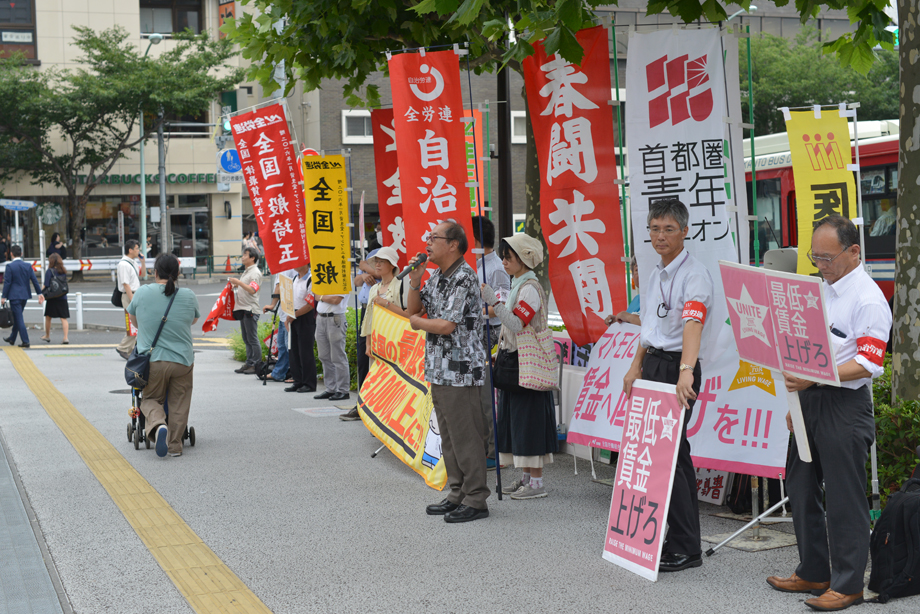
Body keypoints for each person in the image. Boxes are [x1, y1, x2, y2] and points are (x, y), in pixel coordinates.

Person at [767, 215, 891, 612]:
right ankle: (814, 570)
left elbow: (869, 363)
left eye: (828, 258)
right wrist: (800, 400)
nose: (820, 265)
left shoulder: (868, 298)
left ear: (854, 252)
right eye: (814, 257)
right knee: (800, 486)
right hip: (811, 399)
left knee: (844, 496)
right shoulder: (820, 289)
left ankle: (849, 583)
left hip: (844, 404)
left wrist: (814, 380)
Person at [622, 198, 714, 572]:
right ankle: (665, 537)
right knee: (659, 455)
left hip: (679, 368)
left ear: (684, 231)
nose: (660, 236)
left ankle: (686, 547)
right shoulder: (655, 272)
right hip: (655, 365)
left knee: (674, 456)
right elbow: (650, 328)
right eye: (654, 229)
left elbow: (693, 324)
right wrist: (634, 367)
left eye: (668, 229)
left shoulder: (695, 274)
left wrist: (686, 372)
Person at [407, 220, 490, 523]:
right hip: (439, 368)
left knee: (466, 434)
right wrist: (416, 281)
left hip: (461, 369)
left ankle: (476, 497)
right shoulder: (438, 277)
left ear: (453, 244)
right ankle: (458, 491)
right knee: (450, 435)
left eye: (434, 238)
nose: (427, 243)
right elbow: (413, 309)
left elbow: (445, 325)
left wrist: (418, 323)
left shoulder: (464, 278)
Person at [480, 234, 558, 499]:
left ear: (523, 258)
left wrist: (494, 303)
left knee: (529, 422)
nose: (503, 261)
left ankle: (536, 484)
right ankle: (526, 478)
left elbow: (516, 324)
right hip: (516, 364)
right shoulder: (518, 285)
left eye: (507, 257)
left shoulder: (530, 289)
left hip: (526, 367)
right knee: (517, 421)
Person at [127, 253, 201, 458]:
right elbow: (193, 321)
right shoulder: (188, 295)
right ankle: (175, 445)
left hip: (153, 362)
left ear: (155, 271)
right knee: (179, 402)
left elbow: (134, 321)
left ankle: (159, 425)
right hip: (182, 361)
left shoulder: (142, 293)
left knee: (149, 399)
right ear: (177, 274)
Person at [472, 216, 510, 471]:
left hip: (491, 335)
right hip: (478, 333)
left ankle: (494, 452)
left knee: (487, 395)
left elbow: (502, 307)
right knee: (478, 394)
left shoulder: (495, 267)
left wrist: (476, 311)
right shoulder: (478, 263)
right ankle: (485, 447)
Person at [340, 248, 381, 420]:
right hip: (366, 311)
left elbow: (389, 271)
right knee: (363, 357)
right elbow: (357, 280)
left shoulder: (389, 252)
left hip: (380, 312)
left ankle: (373, 406)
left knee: (376, 359)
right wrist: (364, 274)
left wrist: (365, 266)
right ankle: (362, 404)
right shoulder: (373, 253)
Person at [2, 245, 44, 348]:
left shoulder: (10, 267)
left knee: (19, 318)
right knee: (17, 317)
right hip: (24, 296)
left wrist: (3, 297)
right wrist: (39, 293)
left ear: (11, 254)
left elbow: (7, 283)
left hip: (14, 296)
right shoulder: (27, 266)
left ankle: (25, 341)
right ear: (21, 254)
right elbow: (34, 280)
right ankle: (12, 338)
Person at [229, 246, 263, 374]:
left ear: (252, 258)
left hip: (250, 309)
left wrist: (238, 282)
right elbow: (247, 286)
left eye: (245, 255)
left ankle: (256, 364)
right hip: (244, 308)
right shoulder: (248, 271)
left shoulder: (255, 272)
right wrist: (237, 284)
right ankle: (249, 363)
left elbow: (252, 289)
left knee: (252, 338)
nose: (242, 257)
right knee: (246, 338)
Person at [313, 285, 350, 401]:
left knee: (338, 356)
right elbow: (315, 295)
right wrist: (323, 297)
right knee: (324, 356)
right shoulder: (324, 275)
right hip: (320, 317)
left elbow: (336, 300)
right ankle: (330, 388)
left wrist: (321, 297)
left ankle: (343, 390)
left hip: (335, 318)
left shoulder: (342, 274)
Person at [285, 263, 317, 393]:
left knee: (305, 351)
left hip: (305, 317)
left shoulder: (311, 279)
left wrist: (294, 315)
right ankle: (297, 381)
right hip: (293, 316)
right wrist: (288, 316)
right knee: (294, 350)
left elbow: (310, 304)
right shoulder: (294, 279)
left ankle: (309, 383)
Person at [261, 269, 297, 383]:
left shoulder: (285, 267)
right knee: (282, 345)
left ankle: (296, 375)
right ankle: (279, 373)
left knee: (289, 346)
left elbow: (279, 286)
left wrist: (272, 304)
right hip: (284, 312)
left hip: (289, 313)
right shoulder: (283, 267)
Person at [115, 239, 145, 359]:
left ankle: (131, 348)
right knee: (133, 323)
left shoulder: (132, 262)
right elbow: (125, 284)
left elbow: (142, 275)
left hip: (134, 294)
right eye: (137, 248)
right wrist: (133, 301)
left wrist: (142, 262)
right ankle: (123, 347)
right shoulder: (123, 264)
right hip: (129, 295)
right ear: (130, 250)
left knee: (137, 323)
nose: (138, 251)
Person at [40, 252, 70, 344]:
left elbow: (46, 285)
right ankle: (65, 338)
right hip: (62, 297)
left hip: (52, 298)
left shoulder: (50, 271)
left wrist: (41, 293)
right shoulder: (63, 271)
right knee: (63, 318)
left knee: (48, 317)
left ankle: (47, 336)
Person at [605, 256, 641, 327]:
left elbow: (655, 325)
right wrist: (618, 320)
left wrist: (629, 317)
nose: (641, 273)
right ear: (633, 276)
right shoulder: (636, 299)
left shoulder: (662, 298)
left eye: (645, 269)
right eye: (637, 269)